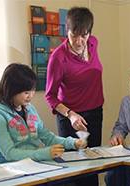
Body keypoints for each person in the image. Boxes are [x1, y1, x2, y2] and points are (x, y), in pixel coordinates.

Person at [45, 6, 104, 185]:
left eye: (84, 35)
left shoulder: (93, 43)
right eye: (74, 35)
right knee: (75, 170)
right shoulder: (58, 58)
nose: (79, 41)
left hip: (94, 113)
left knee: (93, 163)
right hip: (71, 117)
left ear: (89, 33)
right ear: (67, 31)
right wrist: (70, 115)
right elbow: (51, 96)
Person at [0, 63, 87, 164]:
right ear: (11, 90)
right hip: (8, 169)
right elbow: (10, 154)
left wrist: (73, 143)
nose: (31, 96)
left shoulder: (29, 109)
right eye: (26, 93)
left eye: (33, 90)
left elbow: (48, 138)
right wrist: (45, 153)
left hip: (33, 165)